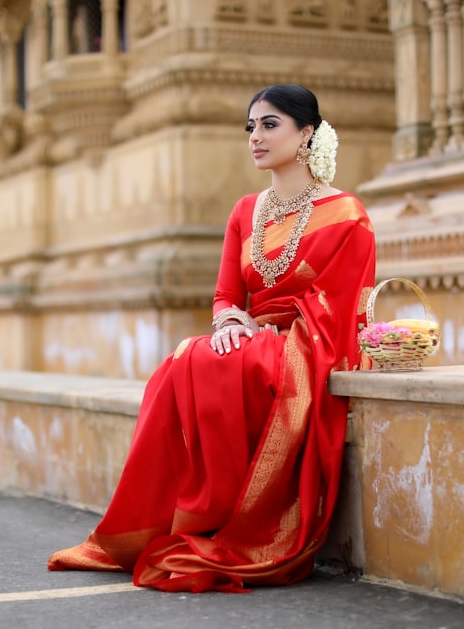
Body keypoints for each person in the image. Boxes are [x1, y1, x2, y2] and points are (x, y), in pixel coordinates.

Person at [47, 83, 377, 593]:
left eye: (270, 125)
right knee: (188, 358)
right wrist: (229, 323)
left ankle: (228, 521)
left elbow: (343, 305)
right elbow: (226, 296)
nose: (256, 137)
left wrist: (264, 329)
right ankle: (172, 521)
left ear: (306, 132)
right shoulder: (246, 211)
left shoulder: (347, 214)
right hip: (252, 338)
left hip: (308, 343)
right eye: (251, 127)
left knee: (228, 362)